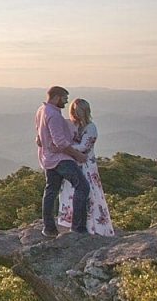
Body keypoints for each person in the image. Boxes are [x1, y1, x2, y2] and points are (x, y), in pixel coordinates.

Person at [35, 86, 88, 237]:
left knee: (51, 191)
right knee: (82, 187)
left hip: (47, 158)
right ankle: (78, 228)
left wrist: (45, 144)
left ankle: (49, 228)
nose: (66, 102)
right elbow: (61, 143)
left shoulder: (40, 111)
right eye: (64, 98)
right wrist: (77, 155)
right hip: (61, 159)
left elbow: (38, 138)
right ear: (57, 97)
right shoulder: (54, 115)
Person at [57, 98, 116, 236]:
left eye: (78, 111)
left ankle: (95, 227)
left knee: (90, 194)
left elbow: (84, 146)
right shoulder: (71, 125)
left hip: (87, 165)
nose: (76, 114)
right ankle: (74, 223)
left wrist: (62, 148)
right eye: (74, 111)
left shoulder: (91, 127)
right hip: (73, 163)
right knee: (71, 193)